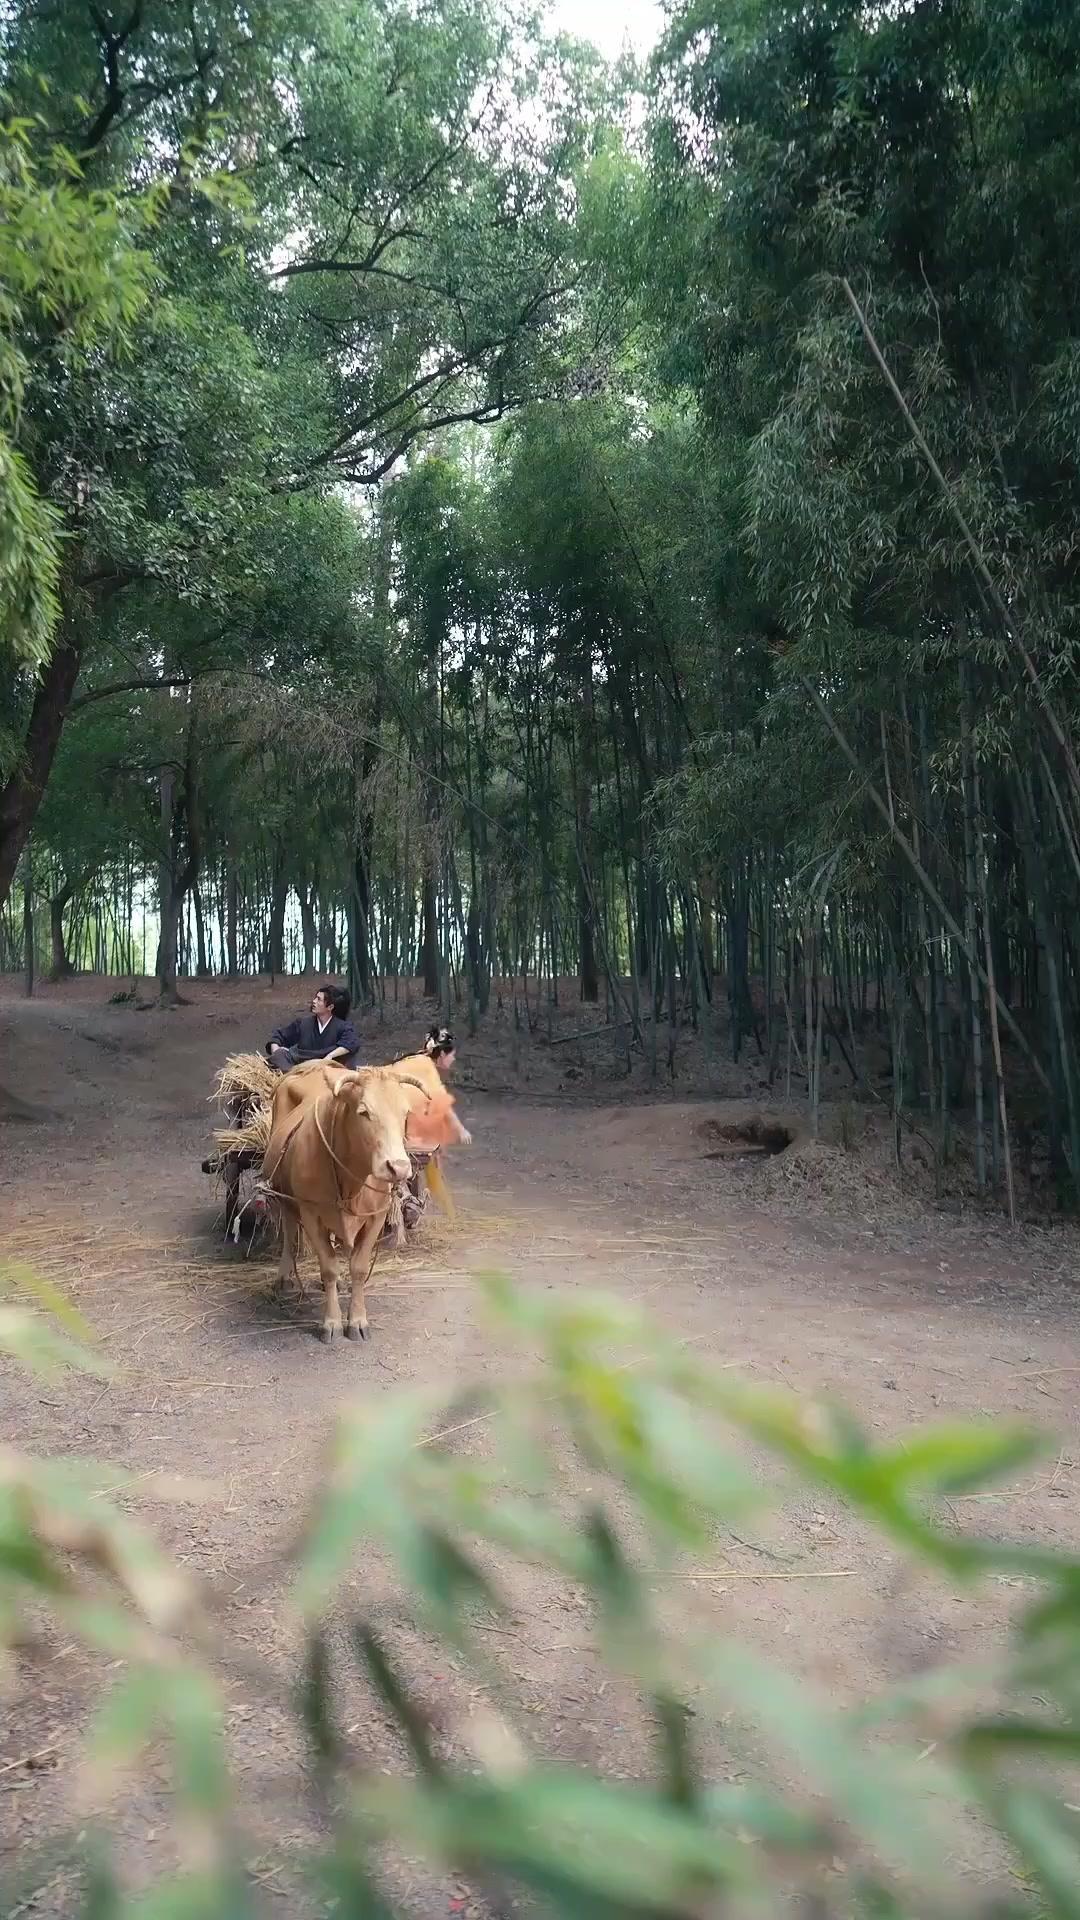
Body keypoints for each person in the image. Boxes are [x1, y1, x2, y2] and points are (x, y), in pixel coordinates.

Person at [266, 985, 360, 1074]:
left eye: (319, 999)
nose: (314, 1001)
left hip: (327, 1068)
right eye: (315, 998)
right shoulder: (303, 1023)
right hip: (300, 1065)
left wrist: (330, 1056)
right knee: (279, 1056)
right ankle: (296, 1077)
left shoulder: (343, 1026)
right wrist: (276, 1050)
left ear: (330, 1007)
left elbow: (351, 1043)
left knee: (347, 1059)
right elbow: (279, 1036)